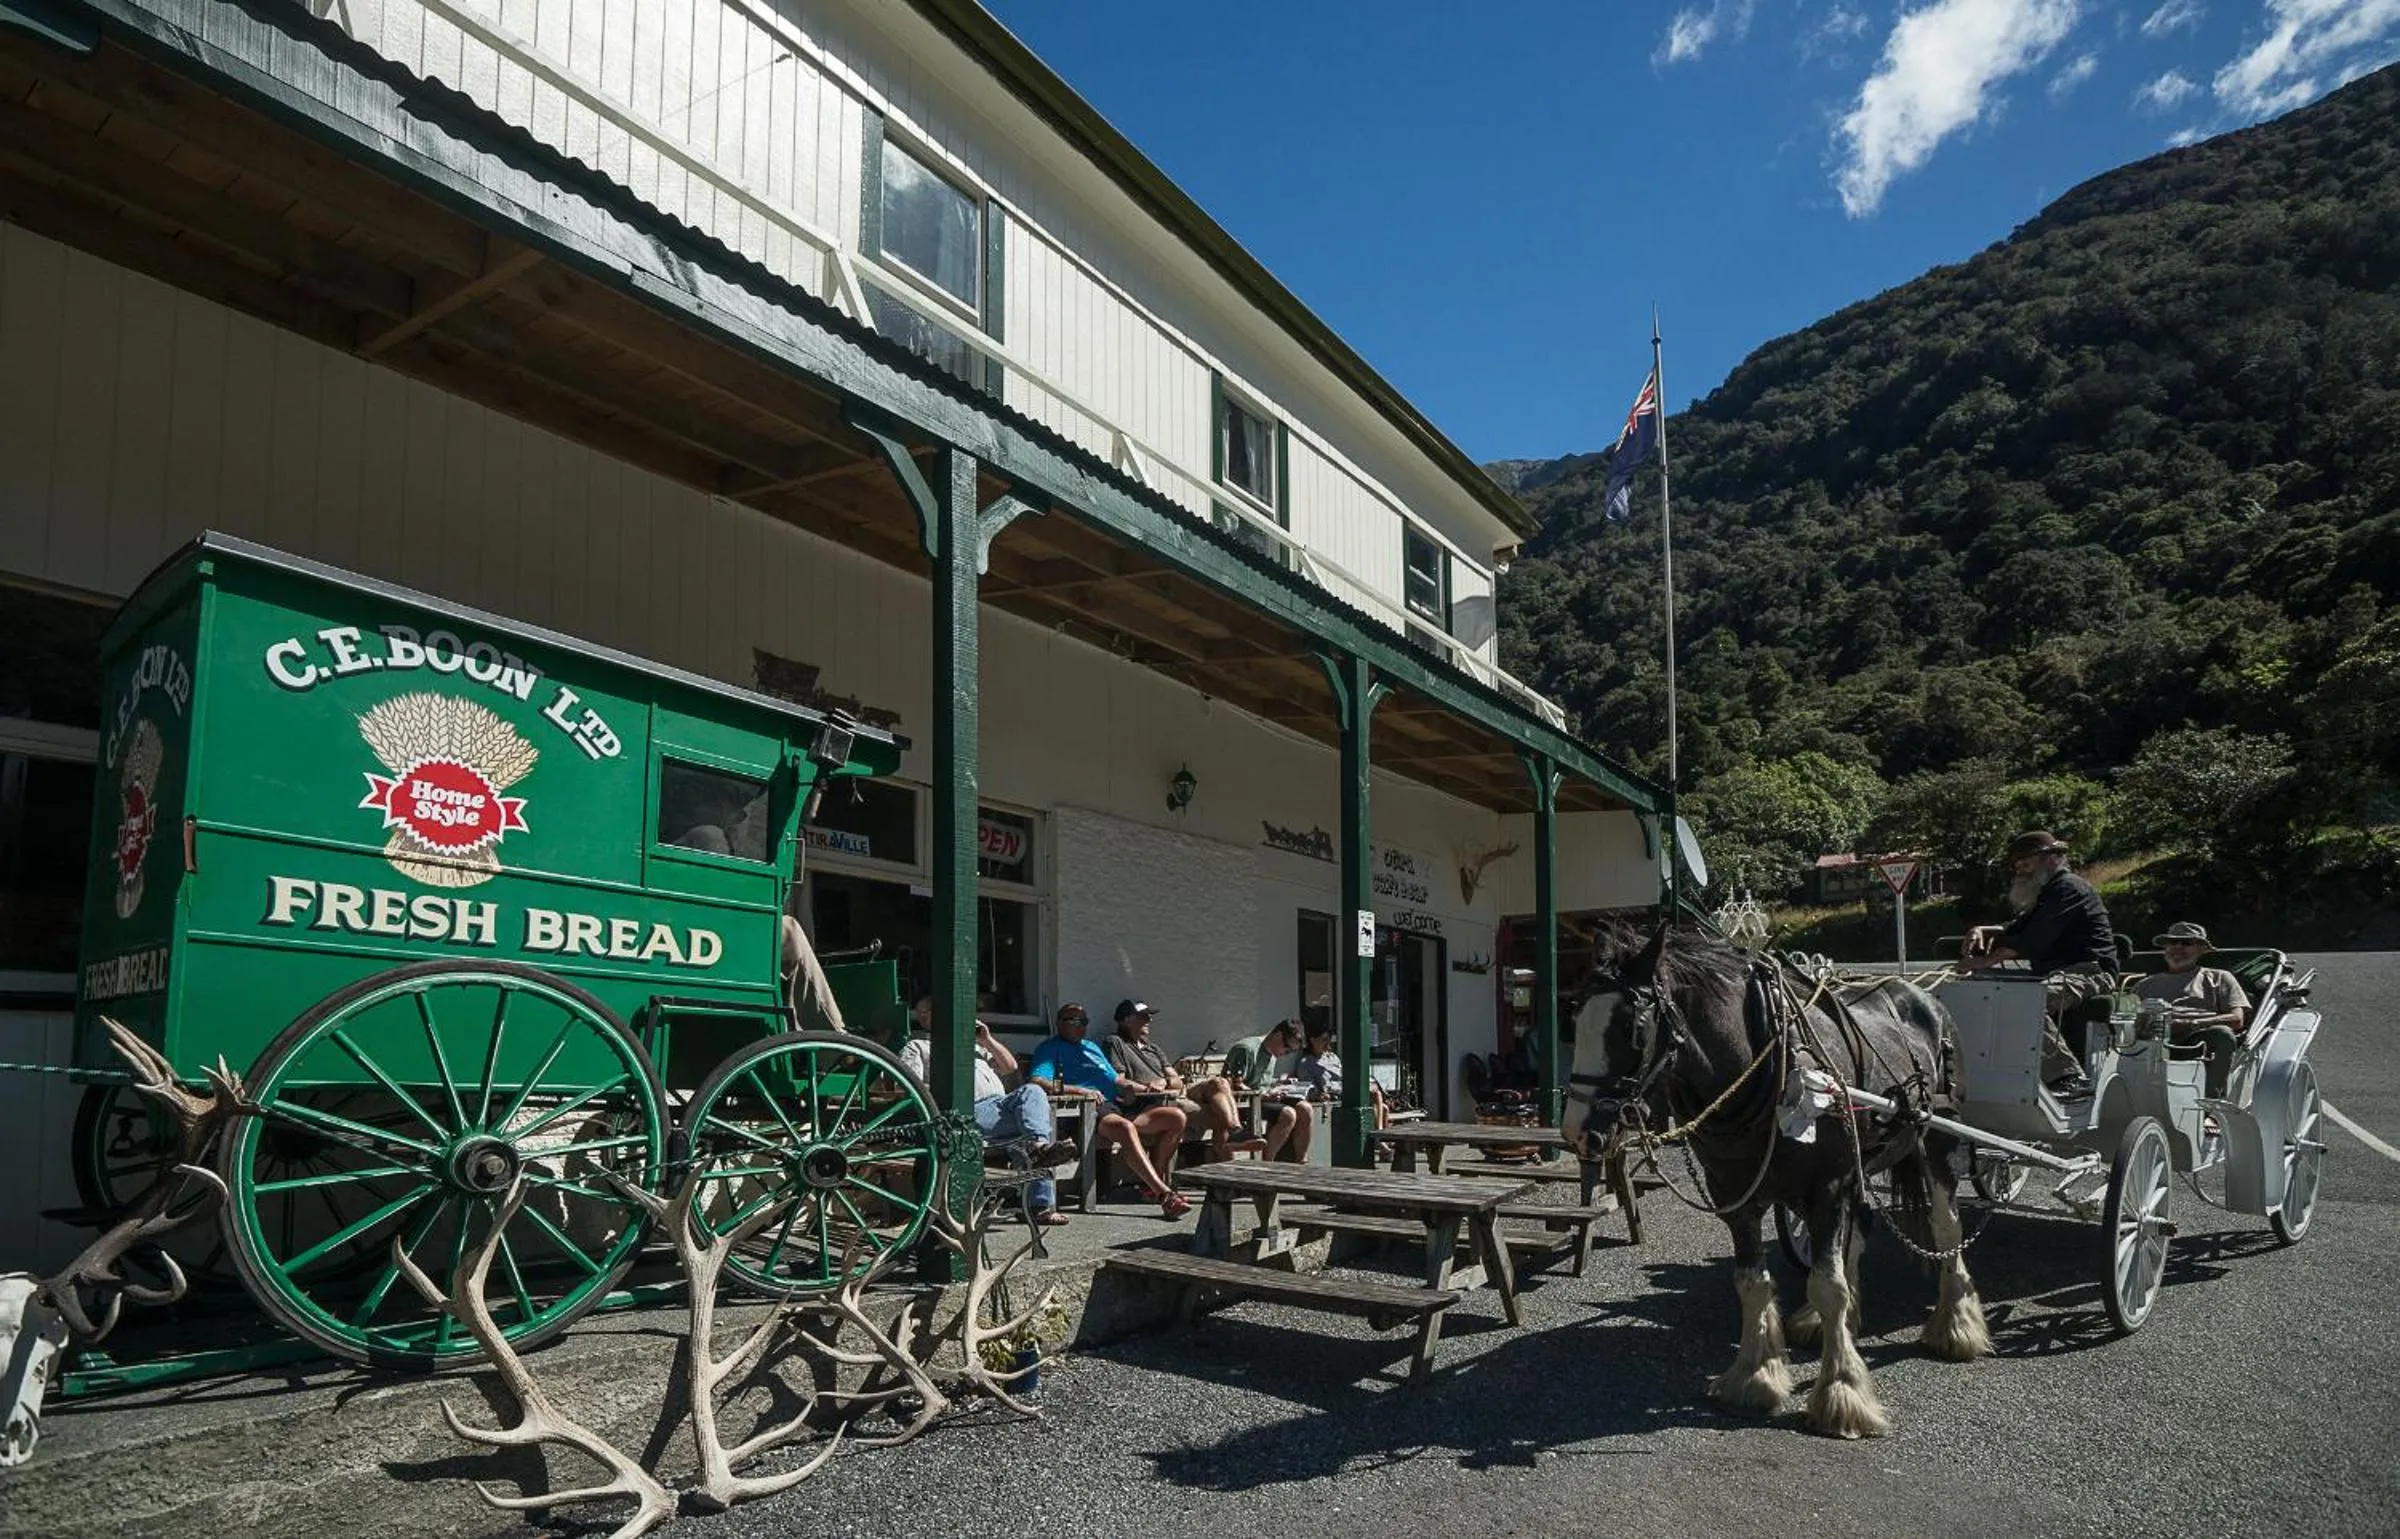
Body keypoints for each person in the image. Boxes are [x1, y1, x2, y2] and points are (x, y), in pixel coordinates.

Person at [1960, 830, 2120, 1095]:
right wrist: (1982, 930)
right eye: (2018, 866)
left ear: (2052, 859)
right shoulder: (2047, 894)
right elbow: (2016, 929)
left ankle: (2069, 1077)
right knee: (1977, 988)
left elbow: (2032, 940)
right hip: (2052, 972)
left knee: (2027, 1002)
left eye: (2026, 864)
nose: (2020, 871)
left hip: (2089, 971)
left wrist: (1981, 961)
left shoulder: (2070, 888)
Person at [899, 995, 1075, 1225]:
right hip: (963, 1114)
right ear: (923, 1017)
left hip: (1000, 1108)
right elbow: (910, 1087)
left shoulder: (974, 1046)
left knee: (1033, 1096)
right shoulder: (919, 1046)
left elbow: (1010, 1067)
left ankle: (1038, 1157)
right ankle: (1039, 1193)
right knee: (1034, 1130)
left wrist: (987, 1040)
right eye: (932, 1010)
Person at [1027, 1002, 1191, 1216]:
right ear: (1059, 1023)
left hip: (1118, 1106)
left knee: (1176, 1117)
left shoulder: (1091, 1047)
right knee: (1125, 1129)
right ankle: (1164, 1195)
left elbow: (1115, 1079)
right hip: (1087, 1111)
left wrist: (1138, 1087)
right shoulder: (1050, 1048)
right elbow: (1036, 1080)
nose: (1080, 1026)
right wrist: (1080, 1091)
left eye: (1083, 1021)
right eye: (1073, 1020)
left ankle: (1151, 1182)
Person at [1101, 999, 1259, 1160]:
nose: (1150, 1020)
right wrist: (1149, 1086)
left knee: (1219, 1083)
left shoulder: (1153, 1048)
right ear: (1127, 1020)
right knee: (1218, 1114)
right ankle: (1227, 1162)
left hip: (1177, 1092)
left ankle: (1235, 1130)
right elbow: (1118, 1080)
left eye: (1149, 1016)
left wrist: (1166, 1082)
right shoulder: (1115, 1043)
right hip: (1157, 1101)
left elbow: (1177, 1080)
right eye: (1143, 1016)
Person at [2135, 922, 2250, 1101]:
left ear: (2201, 949)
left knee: (2223, 1034)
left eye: (2186, 943)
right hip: (2153, 1040)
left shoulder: (2219, 977)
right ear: (2165, 948)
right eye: (2173, 943)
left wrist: (2191, 1024)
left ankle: (2210, 1105)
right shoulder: (2144, 985)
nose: (2178, 948)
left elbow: (2236, 1019)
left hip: (2199, 1038)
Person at [1220, 1020, 1314, 1163]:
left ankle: (1301, 1161)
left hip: (1263, 1098)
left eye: (1291, 1052)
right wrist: (1265, 1095)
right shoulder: (1247, 1049)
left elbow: (1262, 1081)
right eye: (1287, 1048)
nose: (1285, 1054)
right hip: (1245, 1104)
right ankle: (1268, 1161)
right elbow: (1234, 1085)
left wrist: (1281, 1084)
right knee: (1288, 1114)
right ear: (1277, 1035)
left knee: (1305, 1108)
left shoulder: (1272, 1054)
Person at [1298, 1022, 1389, 1130]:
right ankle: (1378, 1136)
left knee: (1384, 1108)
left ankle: (1380, 1139)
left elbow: (1344, 1073)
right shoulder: (1306, 1062)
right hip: (1334, 1093)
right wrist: (1318, 1095)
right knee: (1376, 1095)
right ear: (1312, 1040)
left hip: (1347, 1089)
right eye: (1324, 1039)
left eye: (1329, 1039)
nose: (1327, 1043)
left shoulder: (1332, 1057)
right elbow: (1308, 1086)